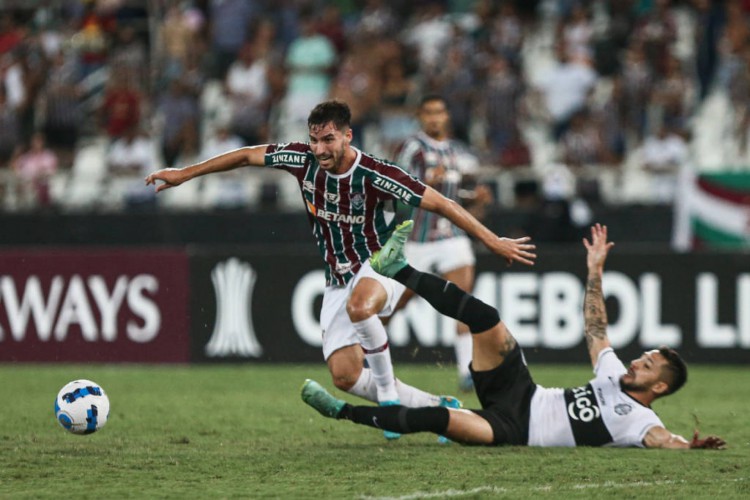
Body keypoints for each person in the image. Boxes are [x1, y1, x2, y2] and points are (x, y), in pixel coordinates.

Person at [146, 100, 536, 440]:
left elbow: (440, 204)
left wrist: (491, 239)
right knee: (344, 376)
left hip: (383, 263)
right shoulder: (302, 160)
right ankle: (441, 406)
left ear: (348, 136)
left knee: (362, 306)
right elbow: (248, 154)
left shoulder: (375, 172)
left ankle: (388, 402)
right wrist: (185, 173)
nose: (319, 148)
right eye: (314, 140)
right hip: (338, 278)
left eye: (328, 139)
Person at [301, 221, 726, 449]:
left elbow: (661, 440)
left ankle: (342, 412)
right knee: (487, 318)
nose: (637, 361)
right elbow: (596, 328)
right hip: (523, 391)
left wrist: (687, 447)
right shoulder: (614, 374)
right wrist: (594, 272)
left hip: (512, 429)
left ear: (661, 386)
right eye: (643, 357)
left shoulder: (640, 421)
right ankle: (400, 269)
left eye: (647, 364)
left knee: (440, 422)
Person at [393, 94, 493, 392]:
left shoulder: (455, 151)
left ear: (447, 115)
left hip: (450, 238)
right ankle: (368, 358)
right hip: (416, 241)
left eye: (439, 112)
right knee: (392, 306)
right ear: (420, 117)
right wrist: (424, 186)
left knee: (464, 302)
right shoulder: (412, 148)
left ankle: (467, 372)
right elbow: (395, 187)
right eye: (429, 112)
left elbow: (454, 200)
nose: (435, 118)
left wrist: (475, 200)